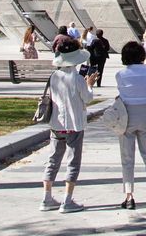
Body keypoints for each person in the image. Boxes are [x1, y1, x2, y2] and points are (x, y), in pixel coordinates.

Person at [41, 37, 95, 213]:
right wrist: (90, 85)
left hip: (56, 124)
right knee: (73, 162)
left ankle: (47, 198)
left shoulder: (54, 76)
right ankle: (67, 200)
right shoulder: (77, 78)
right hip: (74, 125)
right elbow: (87, 98)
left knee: (53, 160)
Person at [114, 41, 146, 210]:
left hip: (126, 115)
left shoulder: (120, 74)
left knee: (127, 158)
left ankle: (129, 195)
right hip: (145, 114)